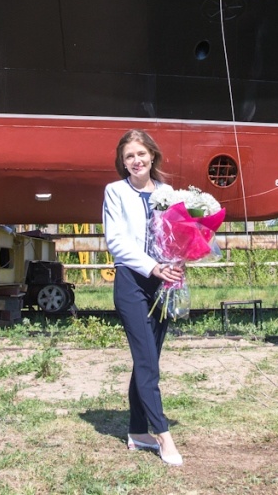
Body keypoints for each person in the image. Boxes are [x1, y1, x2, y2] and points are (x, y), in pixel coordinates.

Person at [102, 129, 184, 466]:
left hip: (164, 285)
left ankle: (137, 431)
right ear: (123, 164)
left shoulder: (168, 192)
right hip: (132, 283)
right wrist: (154, 268)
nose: (136, 161)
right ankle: (164, 436)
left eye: (140, 154)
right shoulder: (115, 192)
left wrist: (182, 260)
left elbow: (181, 234)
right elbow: (116, 242)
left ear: (152, 155)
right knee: (148, 362)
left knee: (147, 360)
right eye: (128, 157)